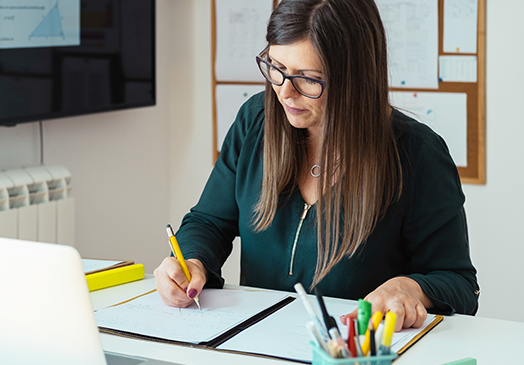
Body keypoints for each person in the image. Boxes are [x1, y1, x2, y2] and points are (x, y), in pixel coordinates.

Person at [154, 0, 479, 331]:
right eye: (276, 67)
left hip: (355, 350)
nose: (285, 92)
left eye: (308, 79)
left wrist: (410, 289)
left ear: (356, 76)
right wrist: (193, 261)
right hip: (257, 345)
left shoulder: (417, 154)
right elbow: (210, 222)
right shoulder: (256, 120)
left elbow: (459, 284)